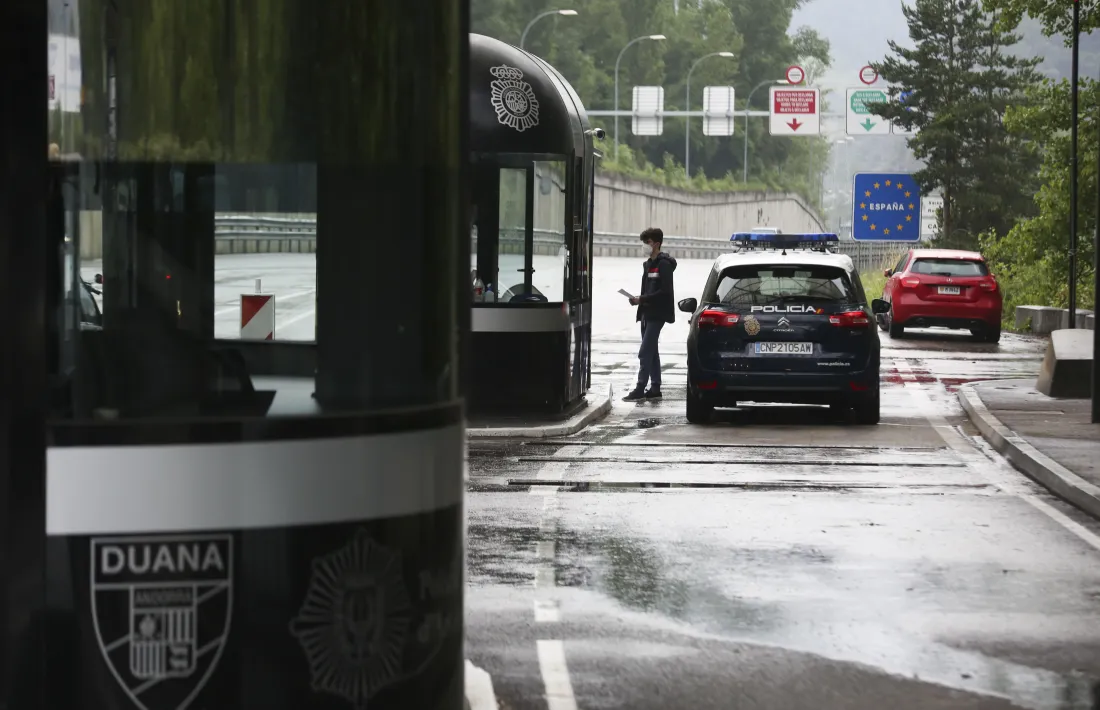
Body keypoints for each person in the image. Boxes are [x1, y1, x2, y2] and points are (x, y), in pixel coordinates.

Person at [624, 227, 677, 401]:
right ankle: (655, 387)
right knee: (652, 350)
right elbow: (646, 289)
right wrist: (638, 300)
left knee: (645, 351)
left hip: (658, 314)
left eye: (647, 242)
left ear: (657, 244)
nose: (645, 246)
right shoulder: (648, 264)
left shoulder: (664, 264)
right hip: (646, 312)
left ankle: (640, 388)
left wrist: (643, 299)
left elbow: (665, 292)